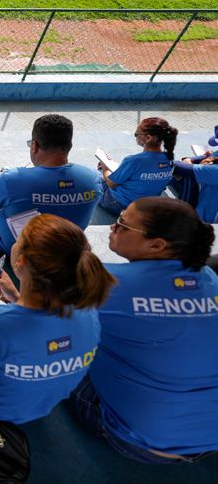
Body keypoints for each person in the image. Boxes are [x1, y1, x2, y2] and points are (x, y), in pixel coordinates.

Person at [68, 197, 218, 463]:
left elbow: (43, 331)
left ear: (157, 244)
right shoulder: (210, 279)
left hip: (139, 440)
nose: (113, 227)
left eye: (122, 225)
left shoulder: (104, 282)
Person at [0, 214, 115, 425]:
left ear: (20, 261)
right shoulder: (88, 314)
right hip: (37, 405)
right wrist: (16, 297)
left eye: (19, 240)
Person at [0, 113, 102, 254]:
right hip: (64, 252)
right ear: (69, 146)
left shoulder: (13, 179)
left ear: (35, 146)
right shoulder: (93, 180)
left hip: (15, 252)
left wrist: (1, 184)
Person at [97, 117, 177, 216]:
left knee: (93, 176)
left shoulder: (134, 161)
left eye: (136, 134)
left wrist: (104, 167)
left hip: (120, 205)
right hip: (146, 206)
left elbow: (111, 184)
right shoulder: (170, 159)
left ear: (148, 138)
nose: (135, 136)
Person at [170, 150, 218, 223]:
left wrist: (188, 161)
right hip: (202, 195)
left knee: (187, 178)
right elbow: (209, 155)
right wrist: (190, 159)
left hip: (206, 220)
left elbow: (179, 168)